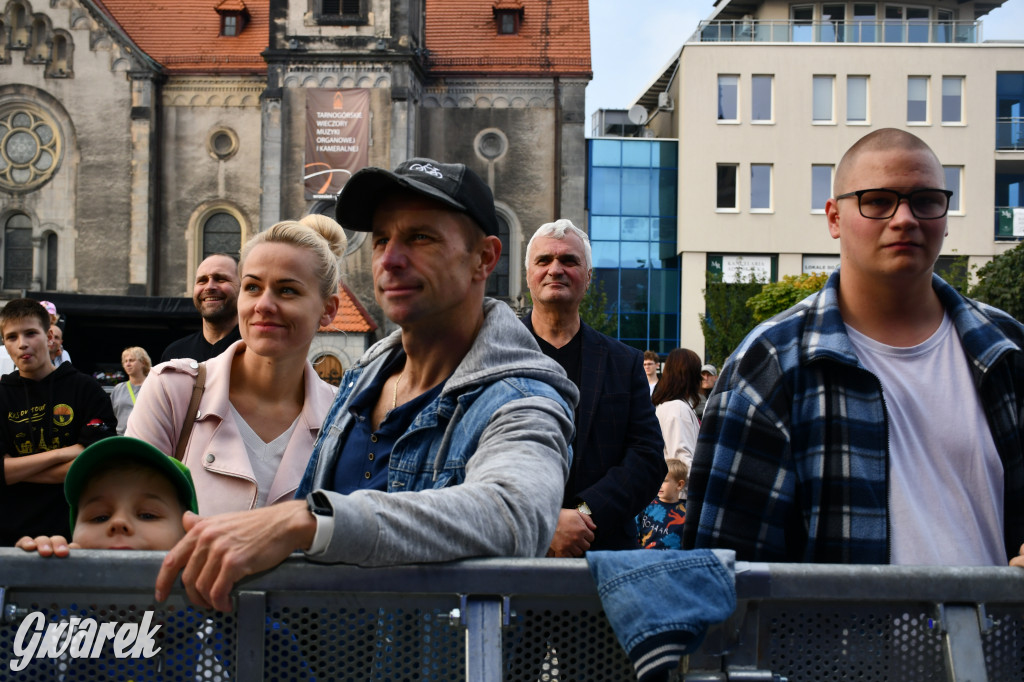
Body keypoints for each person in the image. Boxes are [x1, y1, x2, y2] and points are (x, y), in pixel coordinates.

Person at [153, 158, 578, 613]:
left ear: (484, 258)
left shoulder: (522, 398)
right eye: (381, 240)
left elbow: (512, 515)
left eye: (420, 237)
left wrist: (310, 520)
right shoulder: (364, 379)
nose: (390, 260)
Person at [685, 128, 1024, 566]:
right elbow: (722, 572)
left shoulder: (1007, 348)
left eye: (925, 200)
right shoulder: (768, 364)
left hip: (994, 635)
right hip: (837, 637)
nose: (905, 218)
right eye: (878, 201)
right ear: (834, 218)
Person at [127, 216, 343, 515]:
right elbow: (126, 517)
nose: (263, 305)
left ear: (328, 309)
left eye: (287, 290)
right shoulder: (171, 390)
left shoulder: (345, 418)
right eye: (253, 287)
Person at [523, 218, 665, 556]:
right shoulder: (492, 354)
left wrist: (584, 515)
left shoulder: (623, 362)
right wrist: (544, 521)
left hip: (602, 553)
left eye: (569, 261)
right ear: (527, 274)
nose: (555, 269)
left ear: (588, 277)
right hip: (513, 550)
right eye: (544, 260)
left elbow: (647, 459)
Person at [0, 299, 116, 545]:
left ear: (49, 335)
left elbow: (96, 467)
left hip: (75, 535)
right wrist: (69, 452)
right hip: (9, 538)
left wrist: (15, 471)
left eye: (30, 333)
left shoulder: (86, 389)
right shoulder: (2, 394)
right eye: (11, 337)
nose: (22, 344)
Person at [15, 435, 198, 556]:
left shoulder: (213, 608)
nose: (118, 523)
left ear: (187, 535)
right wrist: (36, 573)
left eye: (147, 515)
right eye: (99, 517)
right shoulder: (56, 607)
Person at [160, 254, 242, 363]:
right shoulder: (174, 355)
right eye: (202, 280)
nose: (209, 287)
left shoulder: (258, 352)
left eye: (220, 279)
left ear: (243, 286)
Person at [651, 348, 702, 473]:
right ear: (690, 374)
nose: (701, 377)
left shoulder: (672, 406)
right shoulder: (677, 409)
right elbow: (682, 463)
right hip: (682, 490)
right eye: (698, 371)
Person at [636, 457, 688, 550]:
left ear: (679, 485)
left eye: (664, 481)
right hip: (643, 558)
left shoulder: (686, 513)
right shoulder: (646, 505)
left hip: (671, 561)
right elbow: (634, 531)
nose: (659, 484)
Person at [110, 346, 151, 435]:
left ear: (143, 362)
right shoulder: (118, 389)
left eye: (131, 360)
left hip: (145, 437)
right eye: (125, 361)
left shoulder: (153, 386)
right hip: (121, 437)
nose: (128, 364)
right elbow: (110, 416)